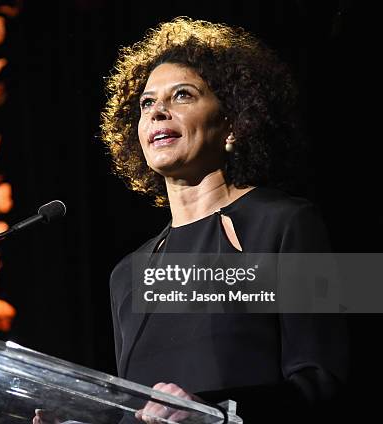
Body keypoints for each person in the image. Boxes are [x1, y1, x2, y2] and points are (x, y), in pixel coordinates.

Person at [100, 17, 348, 423]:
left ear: (233, 123)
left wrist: (212, 414)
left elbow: (323, 381)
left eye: (182, 95)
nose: (158, 111)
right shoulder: (126, 274)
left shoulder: (286, 223)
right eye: (147, 103)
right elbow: (138, 412)